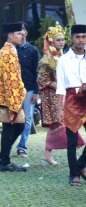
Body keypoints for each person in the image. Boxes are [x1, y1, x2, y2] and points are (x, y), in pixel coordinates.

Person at [55, 24, 86, 186]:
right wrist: (59, 108)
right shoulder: (63, 60)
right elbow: (60, 86)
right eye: (77, 37)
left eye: (83, 37)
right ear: (71, 39)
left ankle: (80, 164)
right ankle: (74, 174)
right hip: (71, 101)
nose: (80, 40)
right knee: (72, 141)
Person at [37, 23, 84, 166]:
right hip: (51, 96)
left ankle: (48, 153)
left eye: (63, 40)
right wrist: (59, 85)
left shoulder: (65, 57)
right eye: (58, 40)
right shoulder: (46, 60)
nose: (61, 42)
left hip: (64, 94)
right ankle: (74, 143)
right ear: (51, 42)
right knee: (57, 123)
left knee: (59, 123)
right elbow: (41, 79)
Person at [0, 22, 28, 172]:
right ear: (10, 36)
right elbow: (9, 80)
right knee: (11, 128)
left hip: (13, 97)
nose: (22, 35)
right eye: (18, 33)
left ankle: (3, 157)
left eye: (22, 33)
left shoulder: (11, 50)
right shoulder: (7, 53)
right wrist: (14, 103)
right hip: (10, 98)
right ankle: (4, 161)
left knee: (16, 127)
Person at [15, 23, 40, 159]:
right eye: (18, 31)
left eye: (22, 30)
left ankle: (22, 147)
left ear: (26, 33)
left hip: (29, 89)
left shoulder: (33, 50)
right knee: (13, 119)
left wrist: (36, 91)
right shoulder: (12, 50)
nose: (21, 33)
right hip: (14, 91)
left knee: (27, 119)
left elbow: (38, 72)